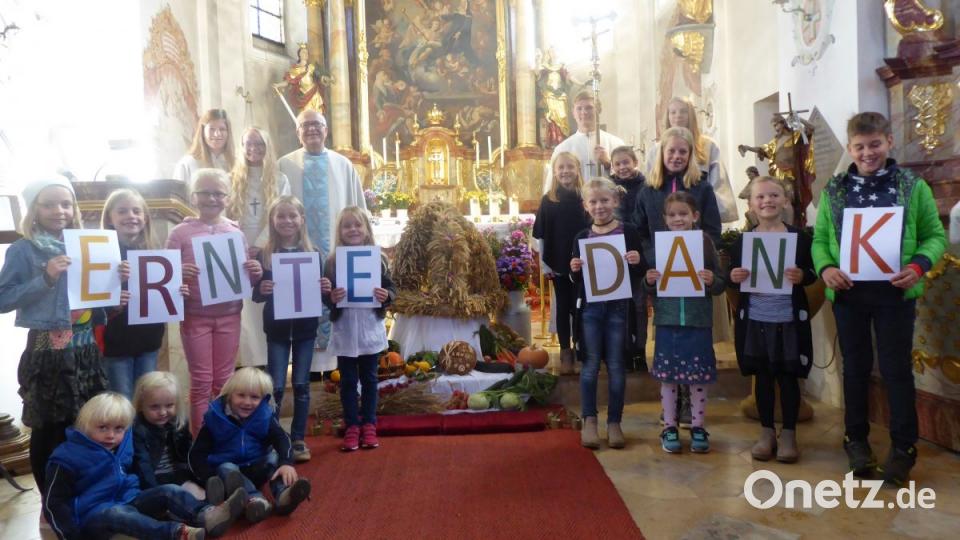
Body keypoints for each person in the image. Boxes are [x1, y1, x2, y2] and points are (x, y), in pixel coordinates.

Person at [812, 112, 946, 486]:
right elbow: (820, 239)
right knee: (854, 370)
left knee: (896, 370)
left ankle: (904, 448)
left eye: (875, 144)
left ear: (889, 142)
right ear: (850, 148)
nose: (868, 152)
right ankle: (856, 441)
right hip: (849, 294)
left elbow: (934, 235)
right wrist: (825, 269)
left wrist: (919, 266)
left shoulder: (911, 186)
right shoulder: (835, 189)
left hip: (895, 292)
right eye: (859, 146)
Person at [0, 177, 114, 489]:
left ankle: (82, 490)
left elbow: (95, 295)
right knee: (50, 428)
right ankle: (50, 499)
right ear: (34, 209)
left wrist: (118, 282)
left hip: (85, 347)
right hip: (48, 352)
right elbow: (3, 298)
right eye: (48, 204)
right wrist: (46, 277)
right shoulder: (24, 250)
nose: (59, 210)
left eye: (65, 204)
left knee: (87, 422)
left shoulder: (85, 244)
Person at [43, 392, 244, 540]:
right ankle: (175, 533)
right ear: (85, 425)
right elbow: (54, 504)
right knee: (116, 514)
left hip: (128, 502)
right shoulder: (65, 458)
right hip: (94, 518)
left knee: (169, 490)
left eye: (118, 428)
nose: (111, 435)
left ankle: (207, 515)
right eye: (103, 427)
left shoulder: (122, 446)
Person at [634, 126, 723, 427]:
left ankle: (689, 404)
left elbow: (713, 228)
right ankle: (674, 404)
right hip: (663, 275)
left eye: (682, 152)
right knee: (670, 338)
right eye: (671, 151)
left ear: (690, 156)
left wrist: (703, 255)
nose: (676, 156)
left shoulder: (702, 187)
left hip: (693, 276)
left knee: (692, 340)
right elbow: (640, 230)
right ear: (661, 154)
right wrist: (652, 259)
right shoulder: (649, 190)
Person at [166, 169, 263, 435]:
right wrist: (178, 274)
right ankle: (199, 441)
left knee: (224, 381)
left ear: (227, 198)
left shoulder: (235, 232)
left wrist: (254, 272)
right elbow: (164, 278)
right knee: (201, 381)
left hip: (230, 315)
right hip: (195, 316)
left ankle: (225, 437)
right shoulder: (180, 233)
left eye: (218, 193)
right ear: (193, 197)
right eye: (205, 193)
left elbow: (243, 278)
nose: (212, 198)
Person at [727, 177, 816, 463]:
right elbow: (732, 272)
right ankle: (766, 432)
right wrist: (734, 276)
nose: (767, 201)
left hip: (787, 319)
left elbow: (812, 272)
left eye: (774, 195)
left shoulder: (799, 239)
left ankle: (788, 433)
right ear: (751, 204)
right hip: (756, 319)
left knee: (788, 377)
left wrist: (803, 276)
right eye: (761, 197)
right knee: (762, 377)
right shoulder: (743, 241)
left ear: (785, 200)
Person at [279, 109, 367, 373]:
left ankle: (337, 366)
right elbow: (277, 210)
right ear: (298, 132)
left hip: (335, 254)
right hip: (299, 255)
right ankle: (306, 368)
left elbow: (358, 210)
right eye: (305, 125)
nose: (312, 129)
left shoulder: (343, 164)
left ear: (326, 130)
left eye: (317, 125)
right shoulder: (285, 165)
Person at [644, 192, 726, 454]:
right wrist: (649, 280)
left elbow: (721, 282)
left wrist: (712, 280)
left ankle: (698, 425)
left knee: (697, 376)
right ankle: (669, 426)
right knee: (668, 377)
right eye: (672, 215)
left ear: (695, 216)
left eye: (683, 214)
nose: (678, 219)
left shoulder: (704, 243)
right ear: (665, 219)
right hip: (667, 320)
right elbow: (647, 285)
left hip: (697, 320)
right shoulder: (659, 247)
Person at [569, 178, 645, 449]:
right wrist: (574, 269)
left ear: (615, 201)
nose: (599, 206)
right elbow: (576, 280)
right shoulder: (581, 237)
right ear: (585, 206)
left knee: (616, 365)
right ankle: (590, 420)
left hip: (619, 307)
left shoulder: (629, 232)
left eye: (604, 200)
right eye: (593, 202)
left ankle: (614, 422)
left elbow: (640, 272)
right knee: (589, 366)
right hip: (590, 308)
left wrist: (637, 262)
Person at [188, 368, 312, 523]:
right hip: (229, 475)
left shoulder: (265, 415)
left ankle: (284, 495)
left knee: (273, 457)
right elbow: (196, 454)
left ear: (263, 398)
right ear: (229, 394)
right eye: (241, 395)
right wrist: (209, 478)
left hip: (257, 467)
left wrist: (286, 463)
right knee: (226, 467)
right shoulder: (215, 418)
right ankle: (256, 500)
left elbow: (282, 438)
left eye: (254, 397)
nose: (247, 402)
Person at [252, 196, 321, 462]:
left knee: (302, 385)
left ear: (302, 220)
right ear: (272, 221)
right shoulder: (265, 254)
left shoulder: (312, 253)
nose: (287, 221)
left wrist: (324, 289)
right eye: (281, 216)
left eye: (292, 216)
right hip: (278, 330)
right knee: (276, 386)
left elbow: (318, 292)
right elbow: (256, 293)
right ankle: (273, 438)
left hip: (305, 329)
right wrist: (262, 289)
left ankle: (298, 438)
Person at [100, 189, 187, 399]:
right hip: (116, 341)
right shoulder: (102, 254)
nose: (131, 216)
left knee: (145, 399)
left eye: (136, 211)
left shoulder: (154, 252)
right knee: (121, 399)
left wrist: (177, 292)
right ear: (110, 219)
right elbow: (92, 299)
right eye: (122, 211)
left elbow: (160, 296)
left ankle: (141, 434)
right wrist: (112, 297)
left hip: (149, 339)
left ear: (145, 218)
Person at [323, 207, 396, 451]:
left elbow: (391, 289)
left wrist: (386, 295)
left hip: (369, 328)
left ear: (366, 230)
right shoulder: (333, 262)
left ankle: (369, 424)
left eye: (358, 225)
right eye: (347, 226)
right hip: (345, 329)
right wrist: (332, 296)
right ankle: (352, 425)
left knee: (369, 379)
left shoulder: (379, 259)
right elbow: (326, 297)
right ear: (340, 232)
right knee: (347, 381)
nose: (353, 229)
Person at [228, 127, 292, 370]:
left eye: (259, 144)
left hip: (268, 247)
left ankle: (271, 363)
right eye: (248, 144)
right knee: (245, 310)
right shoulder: (231, 178)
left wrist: (258, 245)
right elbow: (226, 217)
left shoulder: (279, 178)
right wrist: (243, 246)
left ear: (268, 146)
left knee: (265, 302)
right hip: (239, 251)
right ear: (241, 147)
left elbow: (282, 214)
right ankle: (248, 363)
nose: (254, 149)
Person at [532, 152, 591, 375]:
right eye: (561, 168)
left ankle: (582, 347)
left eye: (570, 167)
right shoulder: (549, 200)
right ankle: (566, 351)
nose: (565, 171)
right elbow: (542, 235)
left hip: (585, 262)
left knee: (583, 306)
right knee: (564, 306)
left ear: (577, 169)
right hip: (559, 260)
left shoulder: (585, 198)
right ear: (555, 172)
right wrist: (546, 266)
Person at [646, 97, 738, 223]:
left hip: (699, 214)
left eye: (683, 111)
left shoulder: (707, 146)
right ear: (667, 117)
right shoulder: (656, 150)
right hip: (664, 216)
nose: (678, 116)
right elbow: (651, 183)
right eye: (673, 112)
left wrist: (714, 214)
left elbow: (717, 183)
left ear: (691, 115)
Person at [131, 372, 203, 498]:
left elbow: (188, 454)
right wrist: (155, 492)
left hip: (177, 475)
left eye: (169, 405)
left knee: (199, 494)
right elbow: (143, 466)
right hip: (154, 480)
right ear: (141, 406)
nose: (163, 412)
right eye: (154, 407)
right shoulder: (138, 430)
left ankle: (208, 505)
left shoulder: (178, 423)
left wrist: (198, 477)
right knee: (175, 496)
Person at [738, 112, 815, 227]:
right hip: (776, 178)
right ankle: (776, 226)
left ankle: (791, 227)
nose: (775, 128)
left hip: (789, 176)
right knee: (776, 203)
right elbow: (762, 150)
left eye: (776, 125)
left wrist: (799, 119)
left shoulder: (794, 137)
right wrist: (748, 148)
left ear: (783, 123)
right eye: (773, 126)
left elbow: (811, 128)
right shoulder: (774, 142)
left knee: (788, 201)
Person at [610, 145, 649, 371]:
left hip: (639, 251)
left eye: (626, 162)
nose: (623, 167)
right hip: (614, 252)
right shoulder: (609, 187)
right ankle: (623, 350)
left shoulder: (645, 186)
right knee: (620, 306)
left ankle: (640, 351)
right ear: (613, 167)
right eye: (618, 164)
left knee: (639, 305)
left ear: (635, 162)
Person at [546, 91, 625, 189]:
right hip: (574, 202)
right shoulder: (562, 149)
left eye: (589, 107)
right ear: (573, 113)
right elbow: (551, 187)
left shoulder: (616, 144)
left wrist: (608, 163)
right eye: (579, 108)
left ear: (598, 110)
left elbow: (629, 181)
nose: (584, 112)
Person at [173, 109, 236, 182]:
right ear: (203, 132)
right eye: (212, 129)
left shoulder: (236, 164)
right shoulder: (187, 163)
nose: (217, 134)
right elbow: (178, 192)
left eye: (222, 129)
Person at [273, 43, 332, 114]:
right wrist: (278, 85)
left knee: (317, 118)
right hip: (304, 97)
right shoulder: (295, 70)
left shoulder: (311, 67)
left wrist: (326, 78)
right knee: (306, 117)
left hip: (315, 96)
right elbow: (288, 82)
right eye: (304, 52)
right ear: (299, 54)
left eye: (307, 52)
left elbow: (320, 77)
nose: (306, 54)